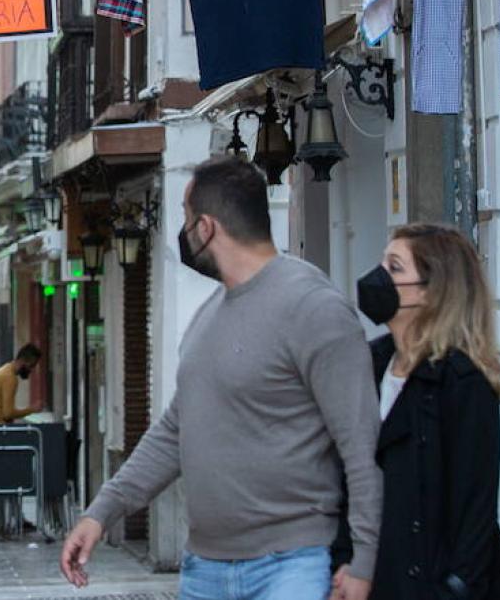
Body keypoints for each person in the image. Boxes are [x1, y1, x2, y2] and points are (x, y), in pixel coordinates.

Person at [59, 156, 382, 600]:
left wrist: (364, 561)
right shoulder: (208, 316)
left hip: (291, 566)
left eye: (187, 219)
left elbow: (360, 444)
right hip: (203, 570)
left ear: (206, 227)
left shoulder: (314, 307)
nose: (185, 232)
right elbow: (174, 432)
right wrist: (101, 513)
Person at [331, 225, 500, 599]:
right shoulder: (369, 363)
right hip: (373, 575)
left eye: (395, 268)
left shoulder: (462, 383)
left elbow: (474, 512)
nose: (378, 278)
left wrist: (454, 589)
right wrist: (344, 559)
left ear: (431, 292)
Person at [0, 343, 44, 424]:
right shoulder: (10, 378)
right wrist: (32, 409)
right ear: (22, 360)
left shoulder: (6, 370)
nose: (31, 370)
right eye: (31, 365)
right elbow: (8, 414)